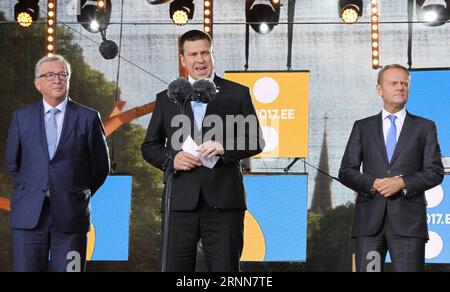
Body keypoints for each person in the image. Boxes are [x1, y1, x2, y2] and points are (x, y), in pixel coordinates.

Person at [141, 30, 264, 272]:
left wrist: (224, 147)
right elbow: (149, 146)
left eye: (205, 53)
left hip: (224, 203)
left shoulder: (237, 93)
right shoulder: (167, 99)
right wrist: (171, 158)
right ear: (183, 59)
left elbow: (256, 140)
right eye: (193, 54)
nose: (200, 60)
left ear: (212, 54)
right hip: (179, 202)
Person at [5, 55, 110, 272]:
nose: (57, 80)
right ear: (37, 83)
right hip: (29, 216)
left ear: (69, 80)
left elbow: (100, 167)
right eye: (50, 75)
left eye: (63, 74)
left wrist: (73, 190)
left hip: (72, 216)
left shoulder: (88, 117)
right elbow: (13, 163)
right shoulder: (21, 117)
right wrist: (36, 187)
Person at [339, 64, 444, 272]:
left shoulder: (425, 127)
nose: (400, 87)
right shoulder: (363, 127)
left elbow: (435, 171)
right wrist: (373, 183)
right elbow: (346, 171)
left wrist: (403, 182)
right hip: (369, 226)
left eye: (404, 83)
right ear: (380, 89)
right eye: (394, 83)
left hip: (408, 225)